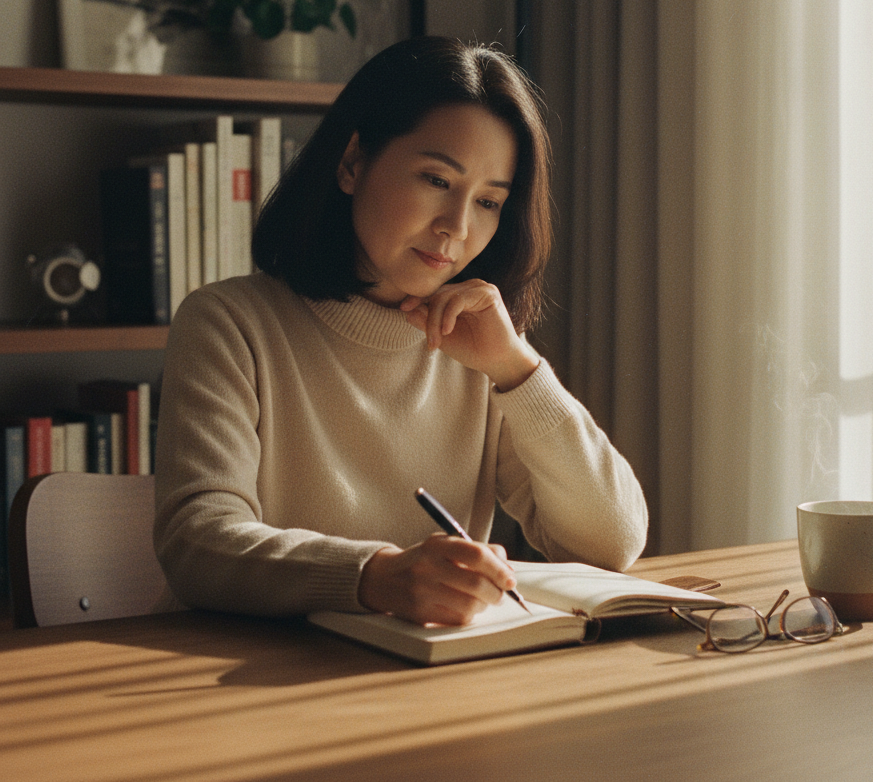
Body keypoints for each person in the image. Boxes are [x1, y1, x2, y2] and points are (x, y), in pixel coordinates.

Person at [153, 36, 648, 626]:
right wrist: (377, 578)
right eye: (437, 181)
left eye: (489, 202)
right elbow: (198, 540)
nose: (456, 228)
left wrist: (518, 370)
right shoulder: (229, 324)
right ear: (353, 163)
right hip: (256, 681)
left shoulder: (478, 345)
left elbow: (611, 543)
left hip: (431, 686)